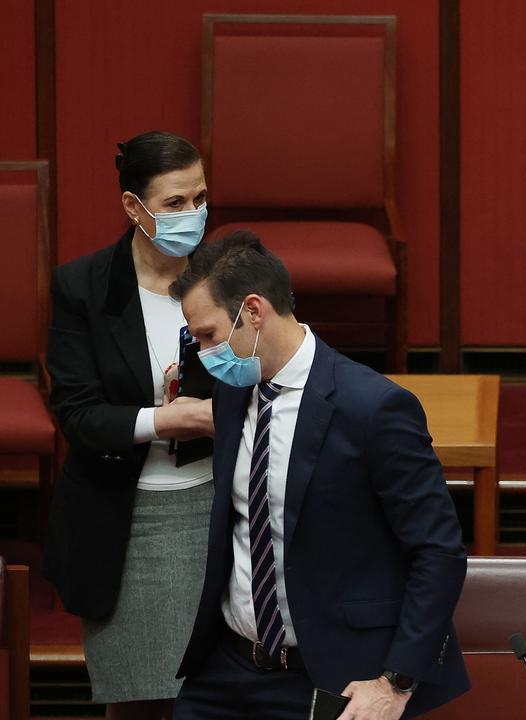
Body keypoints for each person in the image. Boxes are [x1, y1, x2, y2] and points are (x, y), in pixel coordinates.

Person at [169, 231, 469, 720]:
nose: (203, 353)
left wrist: (397, 682)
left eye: (207, 335)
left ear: (253, 311)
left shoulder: (374, 408)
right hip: (227, 671)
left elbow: (438, 552)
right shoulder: (231, 391)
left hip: (331, 678)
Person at [43, 131, 215, 720]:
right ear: (132, 207)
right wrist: (167, 419)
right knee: (139, 702)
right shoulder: (83, 288)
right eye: (174, 204)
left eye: (199, 199)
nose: (192, 215)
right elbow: (77, 413)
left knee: (216, 698)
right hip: (126, 518)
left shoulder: (233, 275)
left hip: (219, 510)